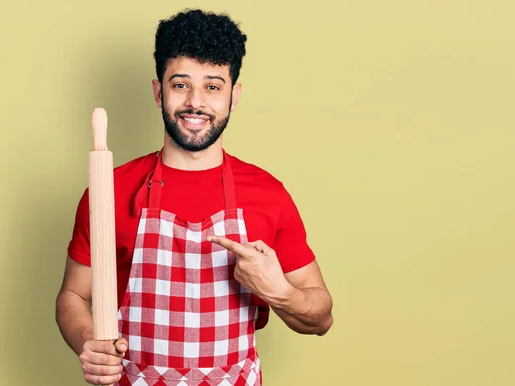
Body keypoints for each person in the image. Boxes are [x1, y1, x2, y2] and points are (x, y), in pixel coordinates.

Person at [56, 8, 334, 386]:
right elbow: (72, 295)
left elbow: (321, 318)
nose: (195, 102)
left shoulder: (268, 194)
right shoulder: (110, 190)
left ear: (234, 96)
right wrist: (88, 343)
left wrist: (280, 292)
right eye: (181, 84)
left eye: (213, 86)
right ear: (159, 92)